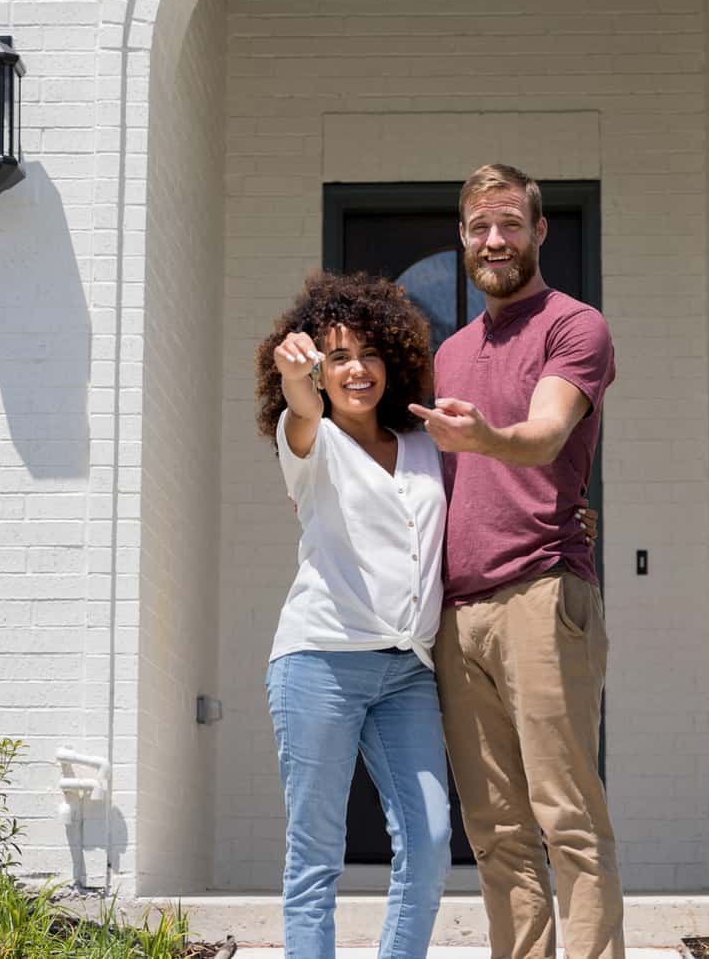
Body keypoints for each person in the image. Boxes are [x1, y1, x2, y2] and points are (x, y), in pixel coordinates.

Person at [409, 162, 623, 959]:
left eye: (508, 223)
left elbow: (545, 432)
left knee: (567, 818)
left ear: (538, 232)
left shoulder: (573, 326)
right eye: (478, 228)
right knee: (496, 834)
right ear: (462, 241)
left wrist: (487, 439)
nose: (494, 239)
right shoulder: (452, 353)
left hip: (541, 593)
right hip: (457, 615)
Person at [253, 271, 453, 959]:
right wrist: (294, 377)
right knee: (316, 856)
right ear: (320, 368)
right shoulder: (308, 440)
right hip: (319, 661)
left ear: (390, 359)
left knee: (428, 842)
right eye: (338, 356)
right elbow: (302, 407)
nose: (356, 368)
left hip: (407, 672)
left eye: (368, 352)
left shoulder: (424, 445)